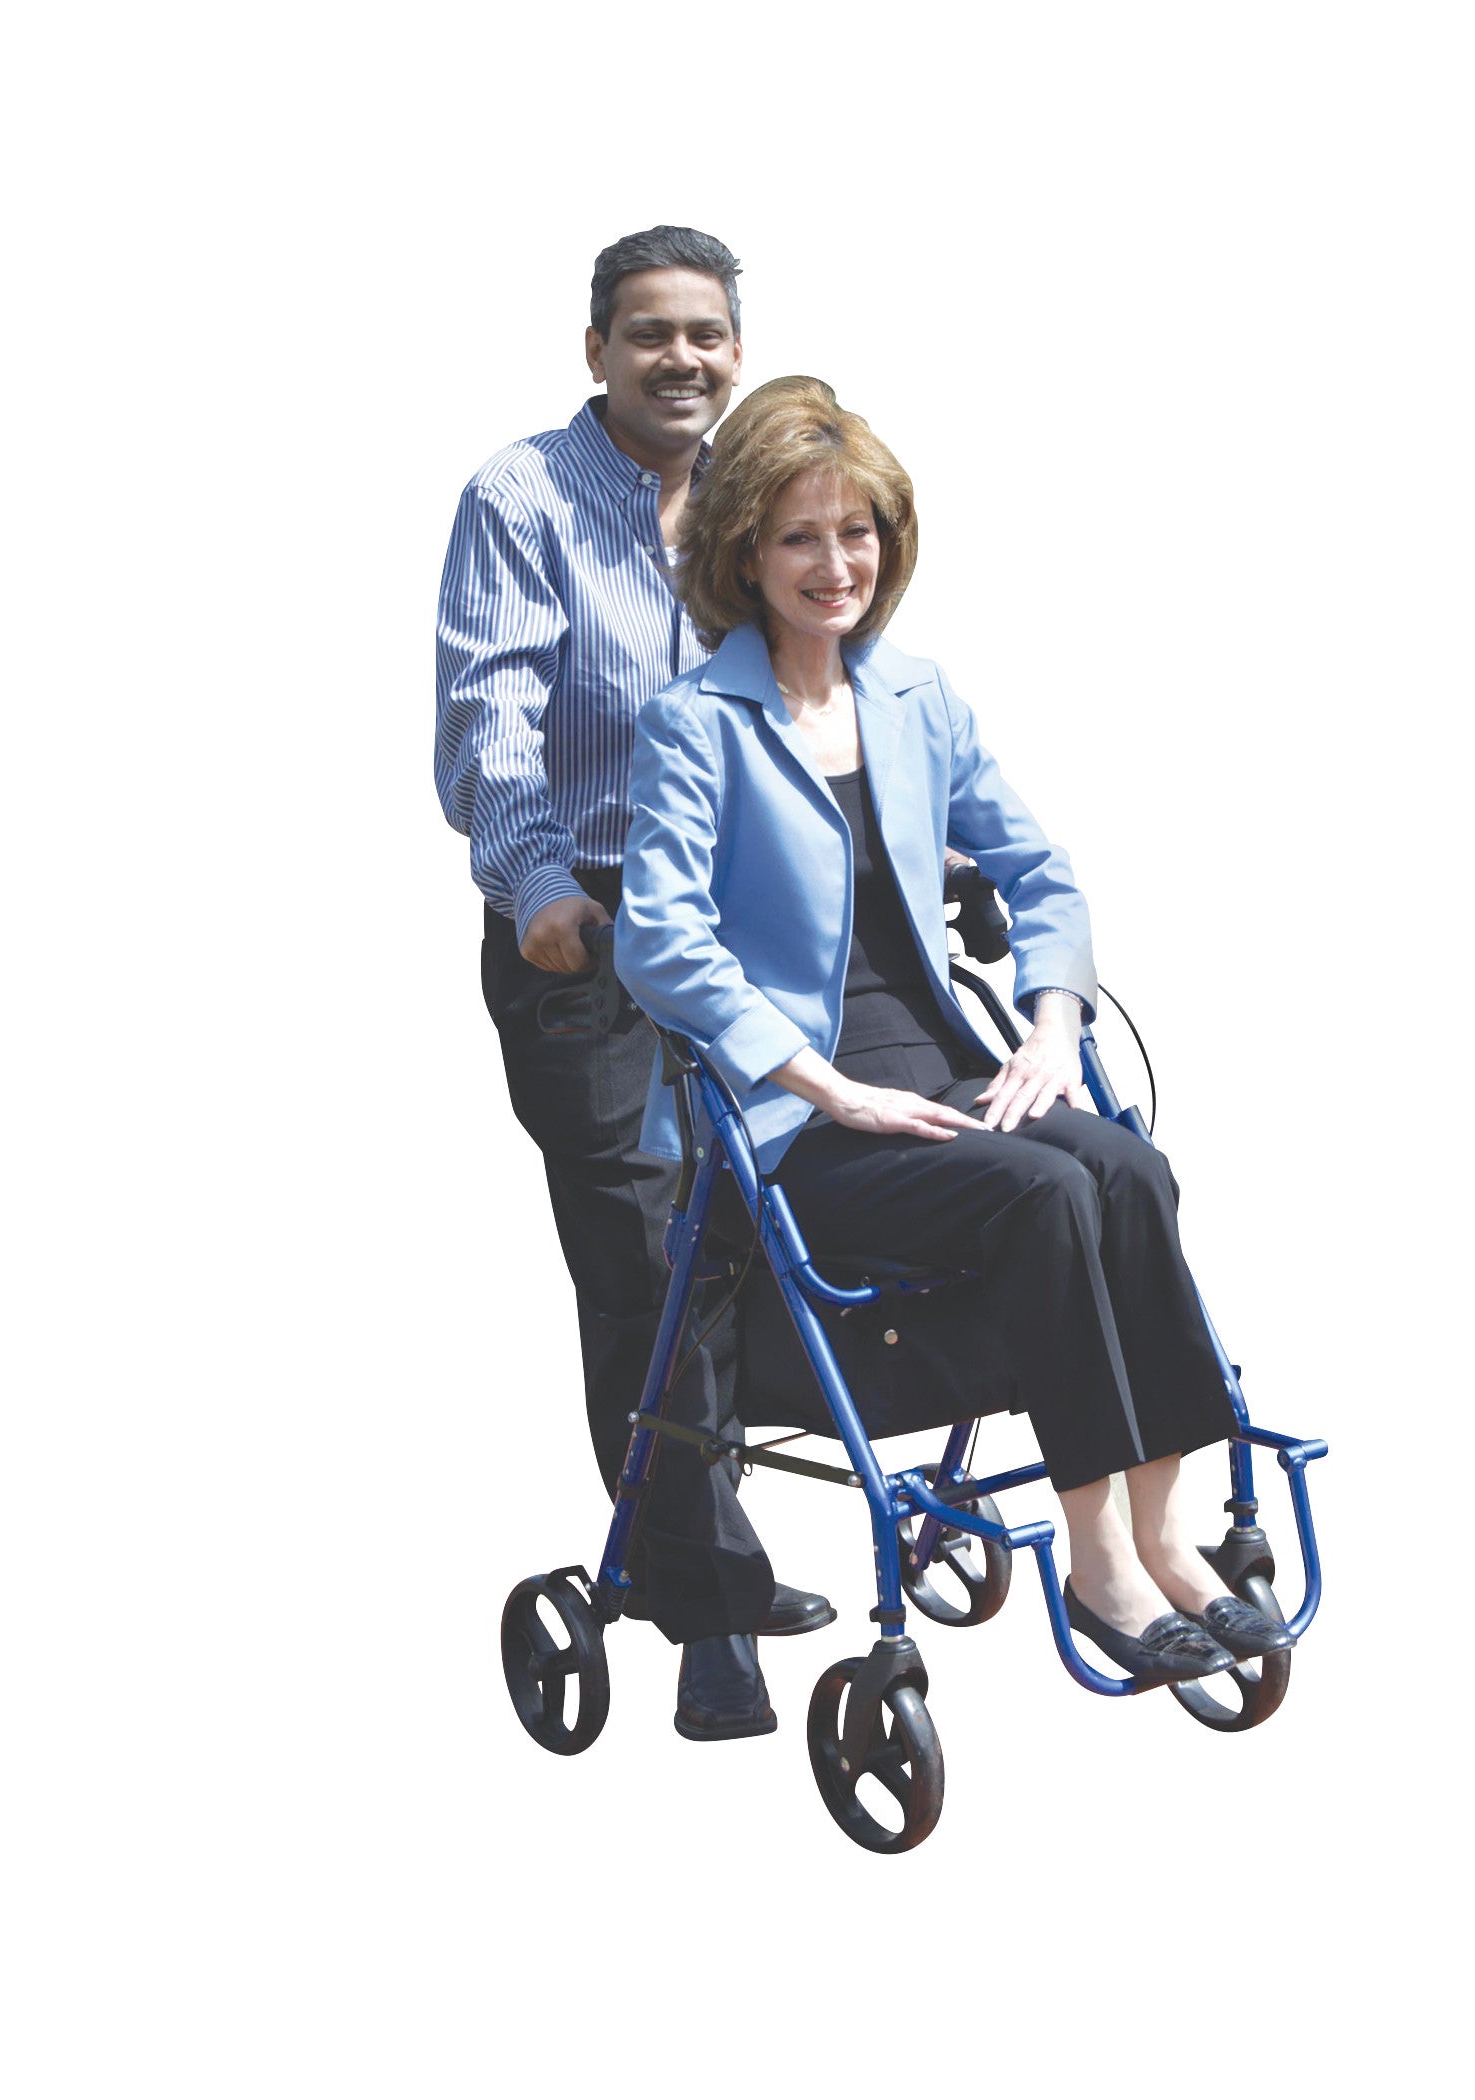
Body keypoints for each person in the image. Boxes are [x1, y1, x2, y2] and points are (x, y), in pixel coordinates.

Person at [614, 378, 1296, 1679]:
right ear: (745, 552)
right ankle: (1096, 1562)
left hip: (953, 1070)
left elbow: (1042, 874)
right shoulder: (697, 727)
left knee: (1129, 1166)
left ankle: (1164, 1540)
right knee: (1046, 1197)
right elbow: (661, 939)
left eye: (857, 530)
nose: (835, 564)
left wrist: (1048, 1025)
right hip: (812, 1115)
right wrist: (823, 1087)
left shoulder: (917, 698)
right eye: (801, 537)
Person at [433, 230, 832, 1744]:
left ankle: (710, 1525)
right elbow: (495, 712)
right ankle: (709, 1604)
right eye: (652, 334)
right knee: (650, 1245)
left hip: (744, 926)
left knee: (778, 1226)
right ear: (594, 348)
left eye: (708, 336)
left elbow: (827, 673)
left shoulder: (764, 494)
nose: (685, 360)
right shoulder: (520, 497)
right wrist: (535, 884)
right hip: (588, 933)